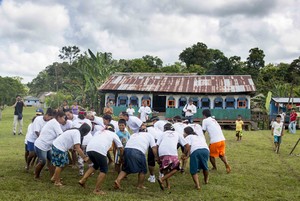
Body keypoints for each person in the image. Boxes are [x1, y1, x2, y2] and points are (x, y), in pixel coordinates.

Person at [78, 124, 123, 195]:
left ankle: (82, 180)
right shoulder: (113, 134)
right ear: (113, 130)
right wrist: (122, 157)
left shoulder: (98, 132)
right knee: (104, 169)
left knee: (95, 165)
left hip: (89, 149)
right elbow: (120, 147)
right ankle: (97, 189)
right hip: (99, 150)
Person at [157, 123, 189, 190]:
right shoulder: (177, 133)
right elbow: (187, 146)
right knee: (176, 168)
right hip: (172, 152)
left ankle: (167, 185)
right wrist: (184, 154)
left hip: (162, 152)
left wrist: (157, 156)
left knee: (165, 168)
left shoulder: (162, 134)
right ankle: (162, 179)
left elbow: (157, 145)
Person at [34, 111, 65, 179]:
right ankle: (36, 176)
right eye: (63, 118)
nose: (64, 119)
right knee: (43, 161)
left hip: (48, 146)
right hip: (41, 145)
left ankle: (53, 177)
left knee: (53, 161)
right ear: (59, 117)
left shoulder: (55, 122)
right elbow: (60, 135)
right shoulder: (55, 123)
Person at [202, 109, 231, 173]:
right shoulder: (214, 120)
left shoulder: (205, 120)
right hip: (222, 140)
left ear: (204, 115)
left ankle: (214, 168)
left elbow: (203, 130)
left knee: (211, 155)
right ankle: (227, 164)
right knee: (221, 154)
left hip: (215, 141)